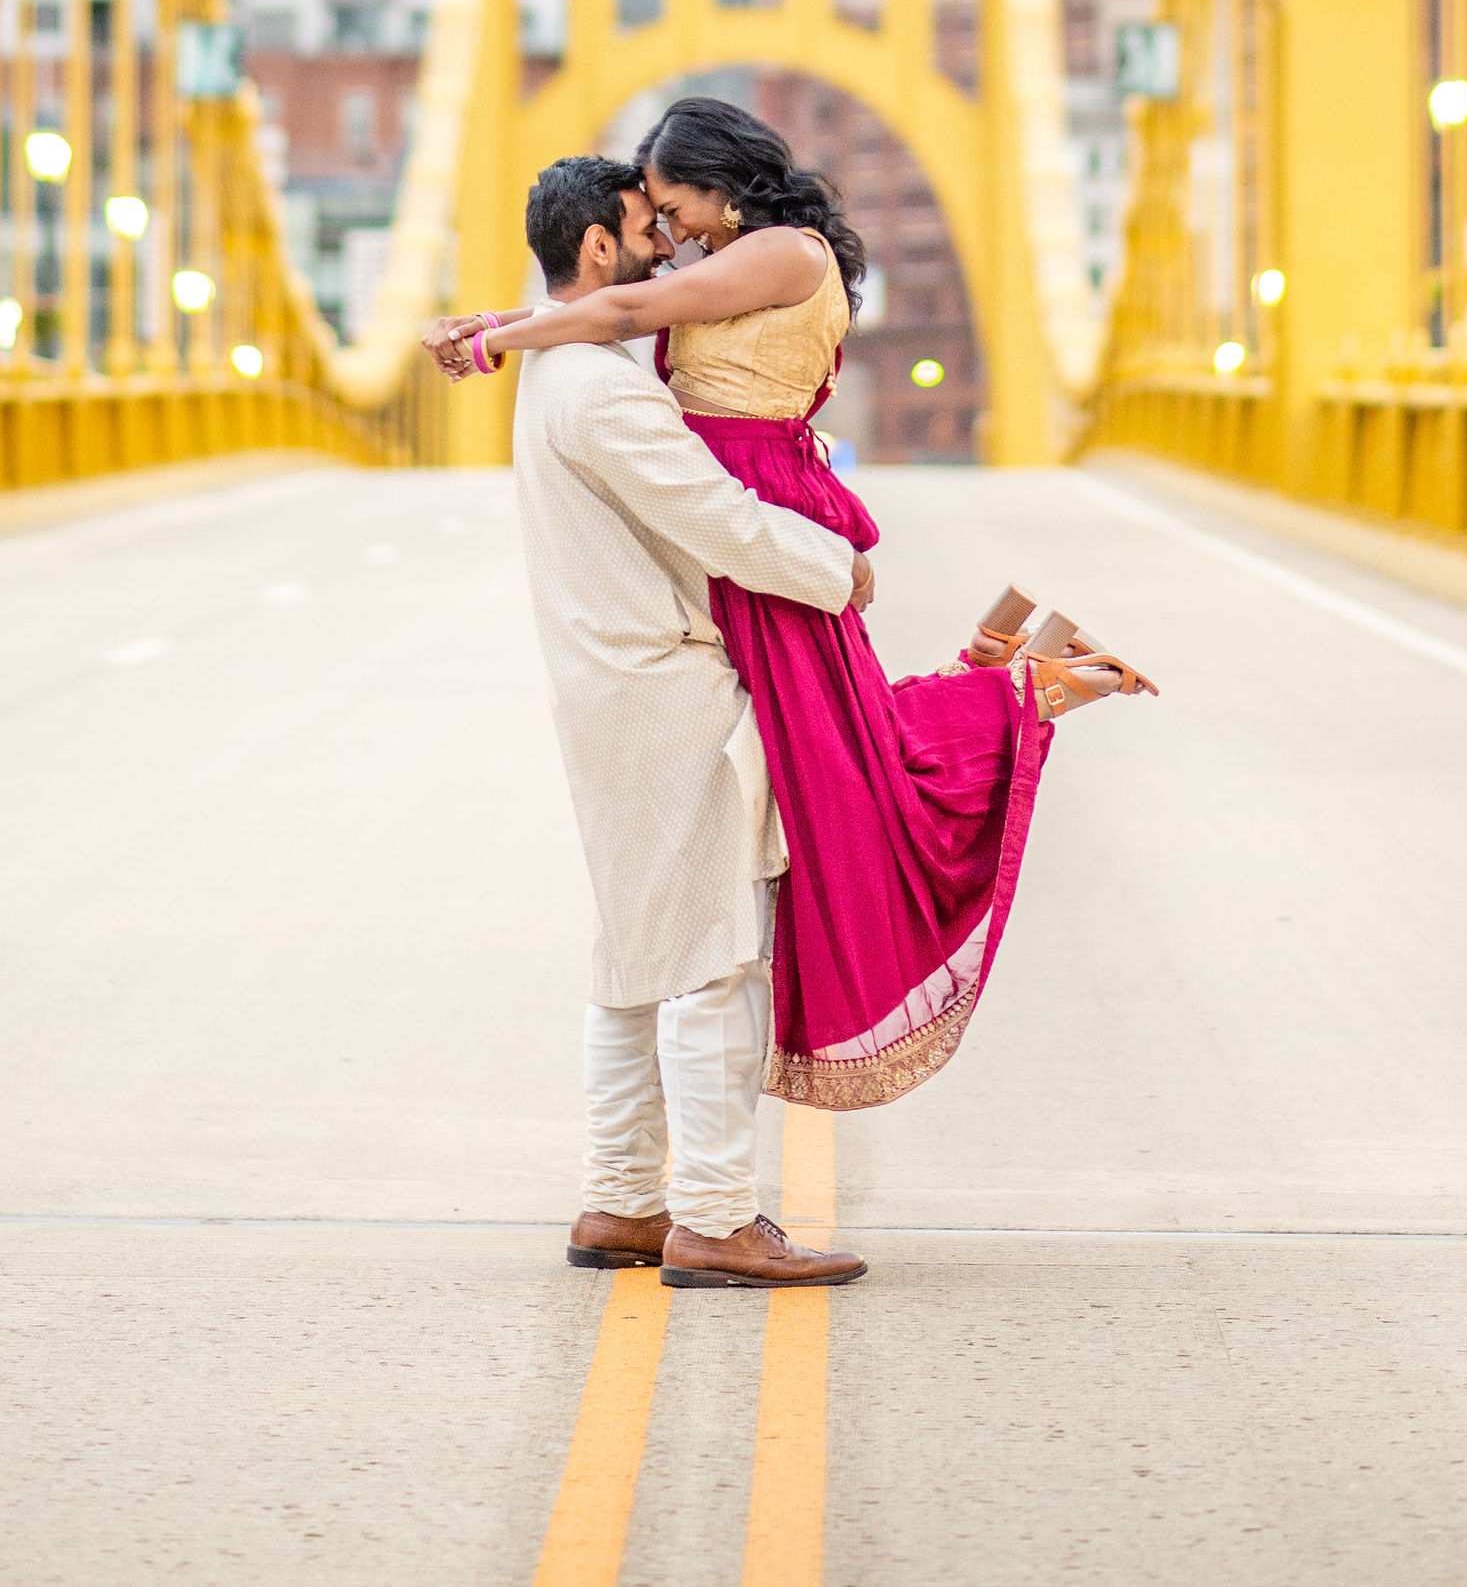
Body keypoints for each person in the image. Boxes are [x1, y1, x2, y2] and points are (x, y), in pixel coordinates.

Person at [431, 97, 1154, 1117]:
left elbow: (626, 313)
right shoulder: (731, 259)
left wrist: (493, 338)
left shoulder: (780, 252)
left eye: (674, 207)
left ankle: (1030, 685)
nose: (671, 233)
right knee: (840, 749)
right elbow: (619, 314)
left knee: (847, 766)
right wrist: (503, 327)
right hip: (741, 519)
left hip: (762, 510)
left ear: (721, 183)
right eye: (654, 220)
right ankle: (1016, 664)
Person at [504, 151, 870, 1292]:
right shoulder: (604, 390)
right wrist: (838, 569)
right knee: (716, 958)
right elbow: (717, 518)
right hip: (665, 689)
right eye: (646, 227)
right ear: (598, 247)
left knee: (636, 951)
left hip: (604, 687)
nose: (668, 249)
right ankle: (713, 1217)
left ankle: (621, 1199)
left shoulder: (554, 373)